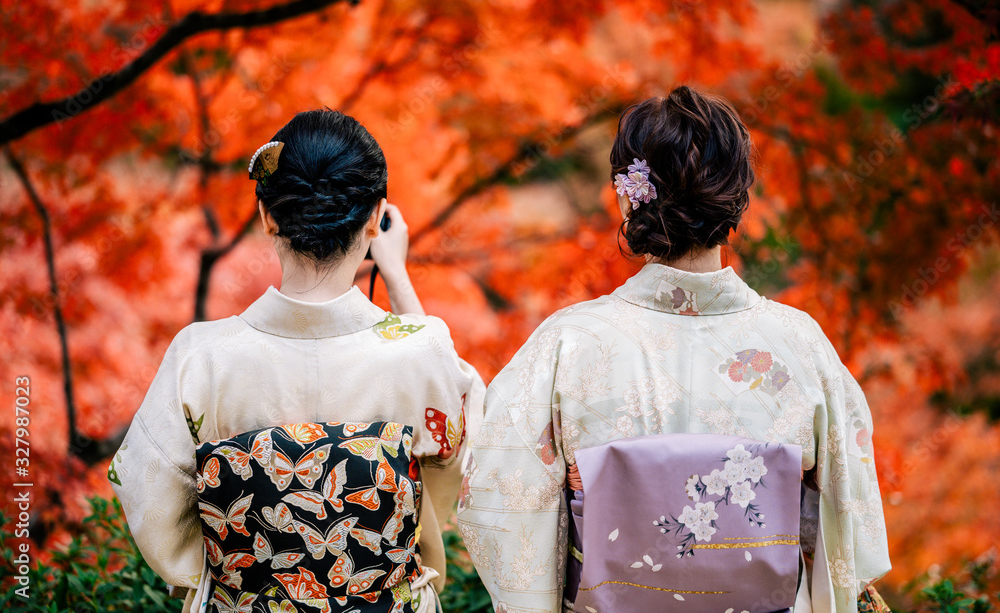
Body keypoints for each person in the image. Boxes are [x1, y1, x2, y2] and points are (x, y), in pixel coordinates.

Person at [457, 86, 891, 613]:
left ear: (626, 194)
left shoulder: (568, 344)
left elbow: (503, 508)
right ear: (739, 198)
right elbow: (850, 527)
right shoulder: (801, 345)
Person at [110, 109, 485, 613]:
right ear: (376, 218)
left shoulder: (200, 356)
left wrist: (233, 572)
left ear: (268, 216)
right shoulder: (422, 350)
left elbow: (149, 493)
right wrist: (396, 274)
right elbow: (462, 460)